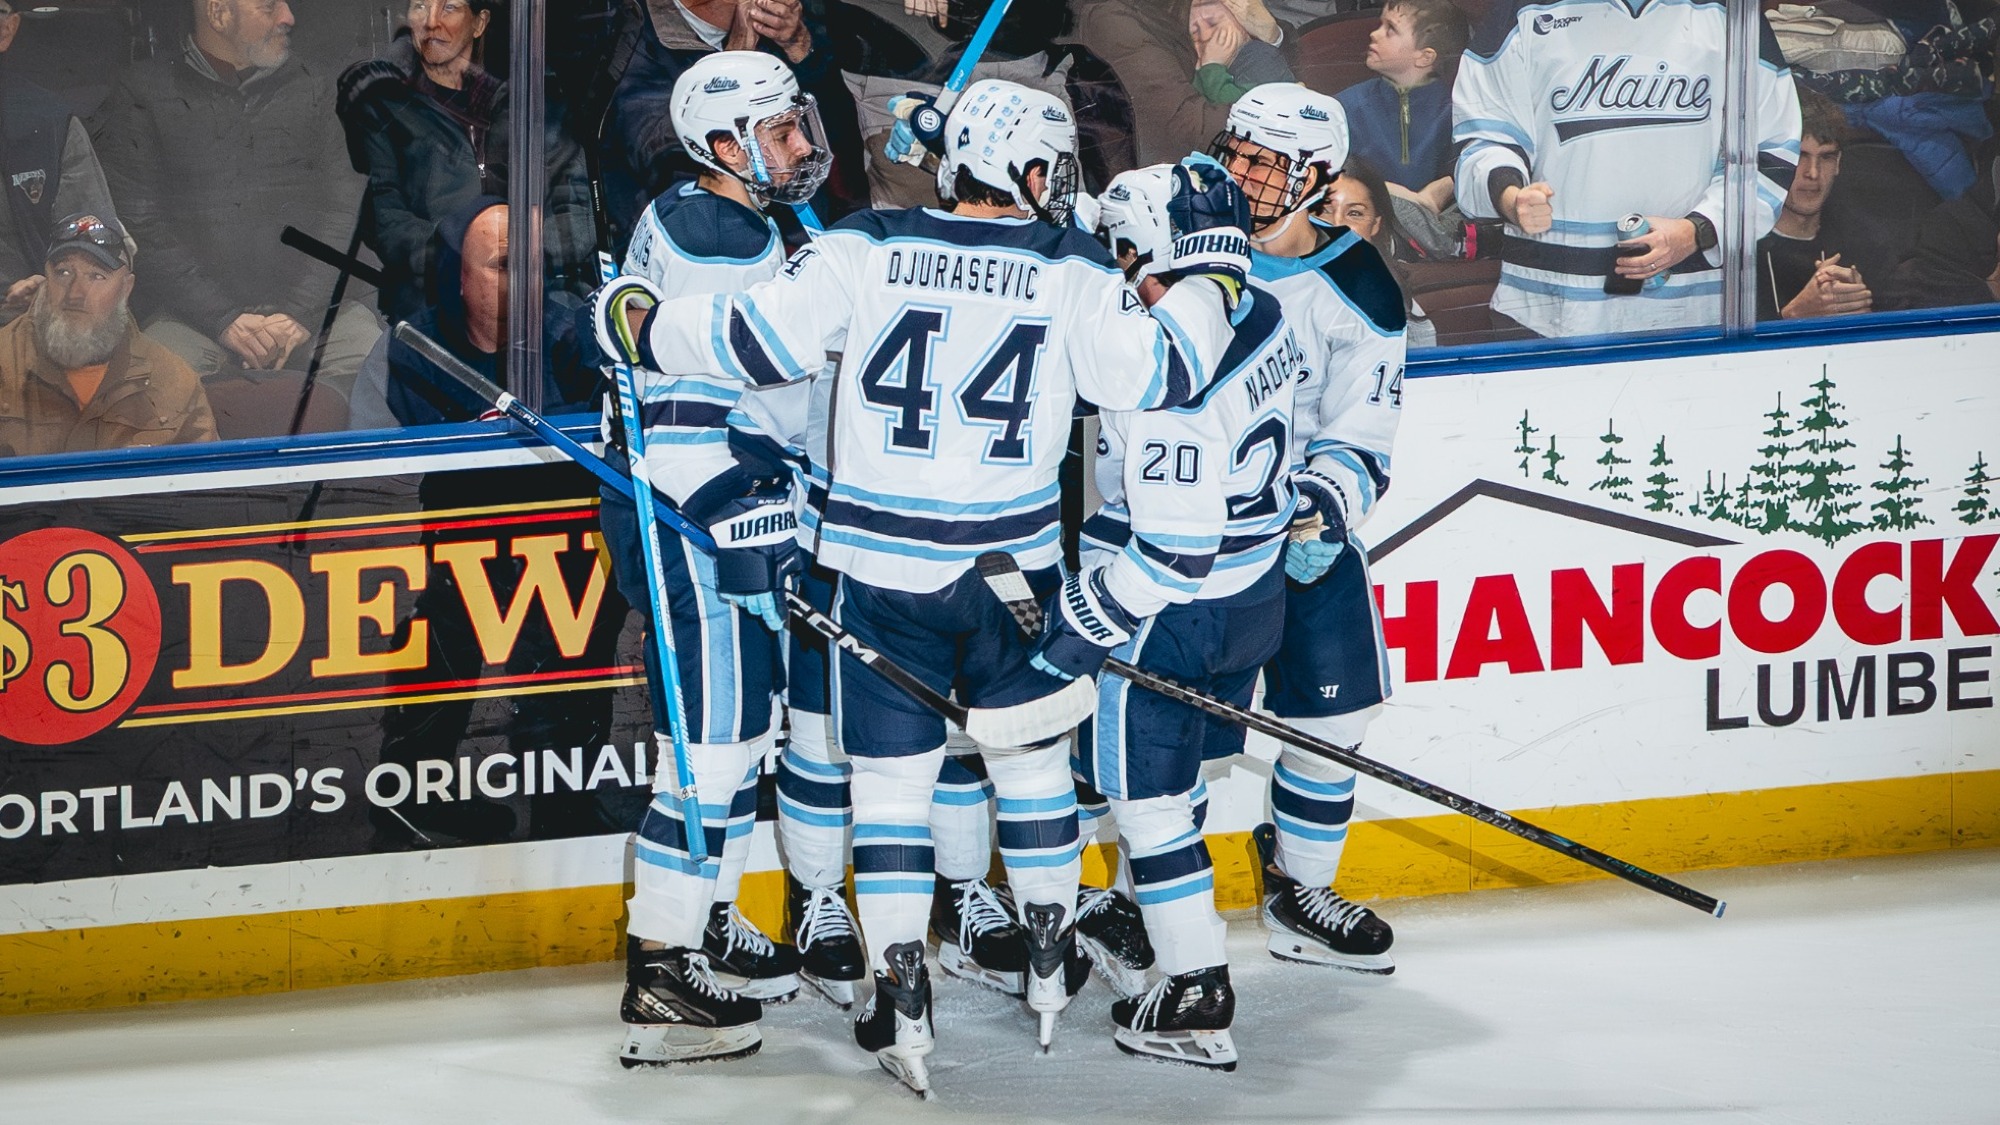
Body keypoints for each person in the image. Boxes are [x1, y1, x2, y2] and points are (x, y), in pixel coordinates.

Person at [589, 78, 1249, 1095]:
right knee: (1027, 765)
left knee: (886, 790)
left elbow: (741, 343)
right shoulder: (1072, 267)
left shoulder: (855, 244)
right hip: (1007, 572)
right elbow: (1162, 371)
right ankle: (1044, 945)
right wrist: (1212, 272)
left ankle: (896, 988)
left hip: (873, 567)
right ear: (1026, 171)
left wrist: (634, 324)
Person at [593, 52, 844, 1068]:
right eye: (780, 131)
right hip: (695, 512)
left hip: (729, 501)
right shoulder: (707, 233)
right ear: (726, 142)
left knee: (743, 732)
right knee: (712, 743)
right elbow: (683, 413)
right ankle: (661, 961)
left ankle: (705, 915)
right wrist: (737, 504)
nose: (800, 144)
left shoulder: (745, 220)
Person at [1073, 161, 1301, 1070]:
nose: (1115, 267)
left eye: (1123, 252)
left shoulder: (1167, 373)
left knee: (1149, 806)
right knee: (1186, 784)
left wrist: (1085, 621)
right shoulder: (1265, 310)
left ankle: (1196, 987)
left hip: (1171, 609)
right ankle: (1145, 911)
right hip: (1254, 598)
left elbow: (1171, 545)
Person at [1211, 82, 1405, 973]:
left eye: (1267, 162)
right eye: (1237, 152)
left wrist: (1325, 499)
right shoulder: (1184, 242)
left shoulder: (1357, 280)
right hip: (1190, 543)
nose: (1243, 175)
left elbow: (1362, 421)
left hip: (1295, 534)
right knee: (1166, 738)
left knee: (1340, 714)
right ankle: (1114, 899)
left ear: (1320, 178)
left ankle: (1299, 885)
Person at [1452, 0, 1802, 338]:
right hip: (1544, 311)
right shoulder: (1522, 11)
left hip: (1692, 313)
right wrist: (1511, 196)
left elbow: (1769, 153)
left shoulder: (1732, 15)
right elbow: (1485, 137)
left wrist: (1698, 230)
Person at [89, 0, 373, 402]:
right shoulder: (145, 92)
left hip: (319, 311)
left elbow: (348, 209)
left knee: (376, 364)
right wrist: (222, 318)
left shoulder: (321, 89)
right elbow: (139, 221)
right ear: (219, 13)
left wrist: (298, 312)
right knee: (147, 382)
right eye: (268, 7)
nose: (288, 17)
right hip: (191, 317)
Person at [336, 0, 595, 326]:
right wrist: (461, 254)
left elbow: (577, 216)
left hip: (536, 309)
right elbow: (388, 222)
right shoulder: (388, 109)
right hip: (432, 309)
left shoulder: (533, 109)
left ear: (479, 23)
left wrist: (506, 257)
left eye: (449, 8)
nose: (431, 22)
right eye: (420, 7)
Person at [596, 0, 866, 248]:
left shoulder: (779, 22)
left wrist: (800, 45)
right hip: (712, 245)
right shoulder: (634, 50)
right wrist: (733, 64)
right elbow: (675, 169)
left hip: (814, 227)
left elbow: (841, 130)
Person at [0, 213, 215, 459]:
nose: (75, 294)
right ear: (45, 278)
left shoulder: (173, 380)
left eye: (97, 276)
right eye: (63, 273)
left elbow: (204, 491)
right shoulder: (4, 360)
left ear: (126, 288)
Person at [1, 0, 117, 330]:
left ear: (6, 30)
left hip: (30, 323)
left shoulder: (52, 124)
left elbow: (97, 237)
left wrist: (57, 284)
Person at [1333, 0, 1466, 212]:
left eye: (1390, 29)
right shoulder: (1344, 107)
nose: (1374, 34)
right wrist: (1407, 198)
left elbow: (1469, 166)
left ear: (1425, 57)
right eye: (1380, 25)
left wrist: (1445, 187)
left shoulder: (1458, 112)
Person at [1757, 88, 1872, 322]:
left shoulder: (1865, 241)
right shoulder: (1736, 250)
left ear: (1838, 163)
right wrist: (1794, 315)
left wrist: (1862, 314)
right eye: (1800, 156)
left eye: (1826, 157)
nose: (1813, 173)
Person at [1319, 158, 1438, 348]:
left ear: (1375, 224)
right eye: (1324, 210)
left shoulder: (1395, 301)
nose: (1337, 225)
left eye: (1355, 213)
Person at [1191, 0, 1296, 107]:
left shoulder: (1259, 56)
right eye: (1195, 32)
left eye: (1213, 24)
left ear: (1243, 23)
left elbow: (1236, 107)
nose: (1204, 36)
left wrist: (1211, 67)